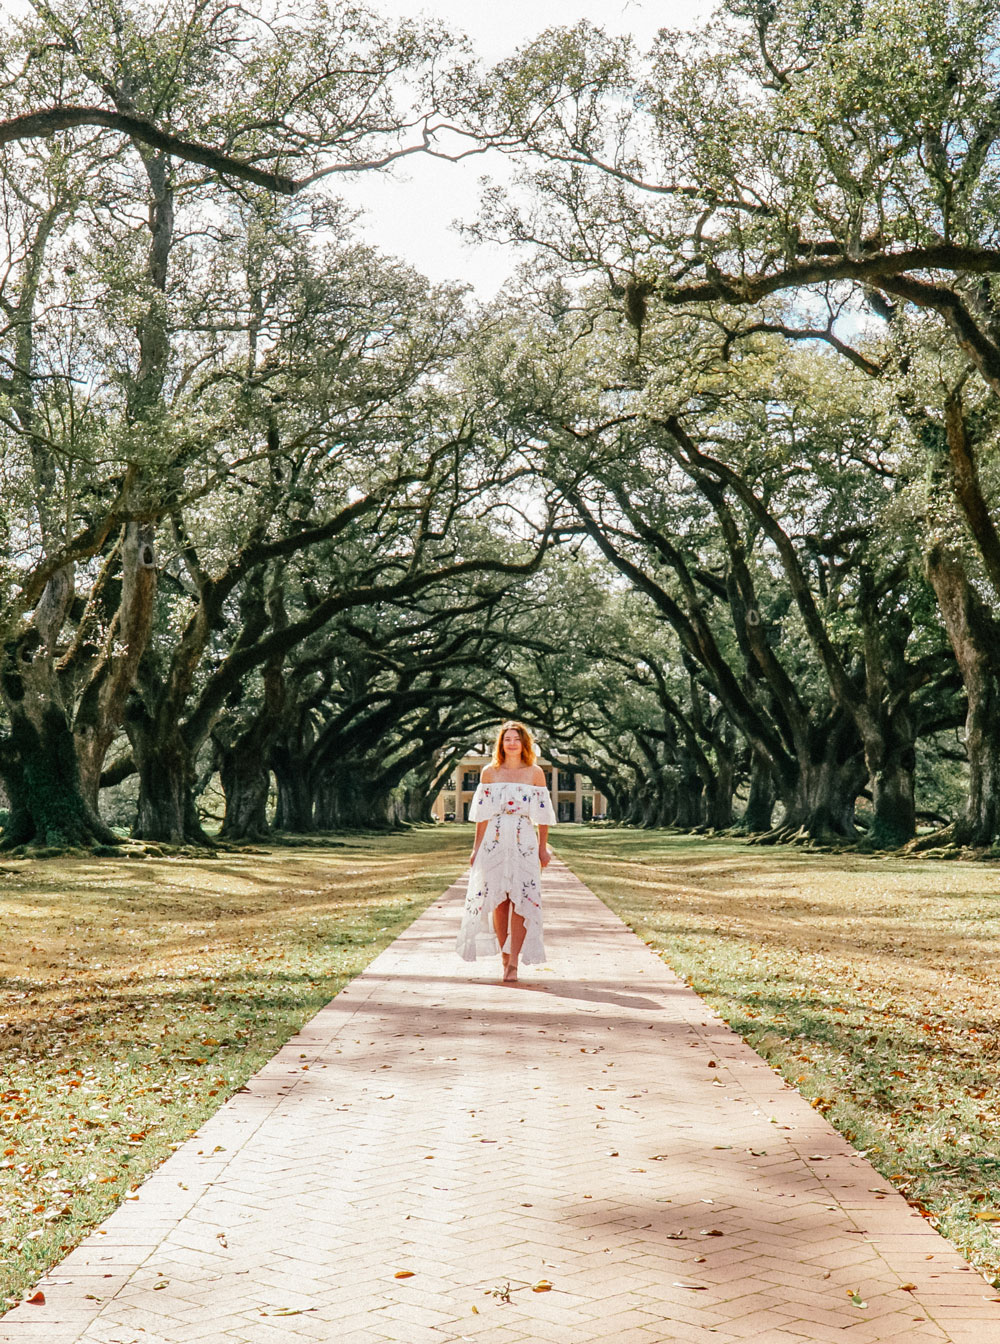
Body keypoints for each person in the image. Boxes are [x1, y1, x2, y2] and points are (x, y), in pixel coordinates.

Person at [455, 721, 555, 983]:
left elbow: (543, 815)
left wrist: (543, 847)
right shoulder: (490, 772)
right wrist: (476, 849)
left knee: (522, 900)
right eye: (507, 739)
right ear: (501, 744)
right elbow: (482, 815)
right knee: (499, 901)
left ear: (524, 744)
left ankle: (514, 963)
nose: (511, 743)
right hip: (495, 840)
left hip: (524, 838)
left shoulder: (535, 773)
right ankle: (503, 956)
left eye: (516, 739)